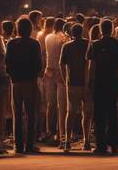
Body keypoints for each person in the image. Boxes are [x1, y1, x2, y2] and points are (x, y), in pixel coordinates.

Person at [87, 18, 118, 155]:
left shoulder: (95, 44)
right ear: (111, 29)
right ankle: (114, 144)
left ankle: (101, 145)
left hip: (99, 82)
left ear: (100, 30)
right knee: (112, 112)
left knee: (99, 114)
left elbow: (91, 66)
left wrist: (89, 81)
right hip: (113, 82)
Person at [5, 16, 42, 154]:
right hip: (30, 81)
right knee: (31, 113)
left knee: (17, 114)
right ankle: (29, 144)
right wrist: (33, 75)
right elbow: (39, 63)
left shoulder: (11, 43)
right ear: (30, 29)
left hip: (16, 82)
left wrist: (13, 76)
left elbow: (7, 62)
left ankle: (18, 144)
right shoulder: (34, 44)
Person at [59, 23, 92, 152]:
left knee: (70, 113)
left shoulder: (66, 46)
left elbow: (61, 64)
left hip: (72, 83)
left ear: (72, 33)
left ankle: (67, 141)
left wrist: (64, 78)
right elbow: (91, 64)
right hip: (87, 84)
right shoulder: (88, 44)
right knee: (87, 114)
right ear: (82, 32)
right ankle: (86, 140)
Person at [44, 17, 68, 147]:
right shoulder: (63, 38)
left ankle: (49, 131)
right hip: (60, 72)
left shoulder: (48, 37)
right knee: (62, 105)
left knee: (50, 104)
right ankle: (60, 134)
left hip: (48, 71)